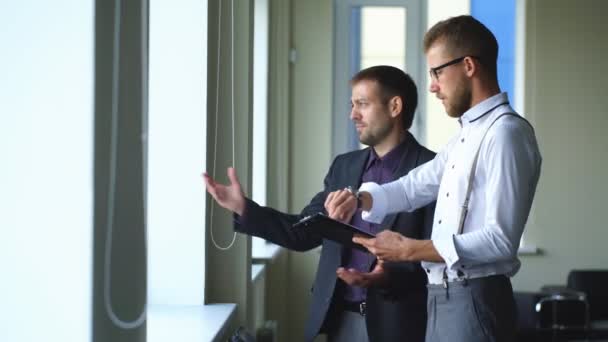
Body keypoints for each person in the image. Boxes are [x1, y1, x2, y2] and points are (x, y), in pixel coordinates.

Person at [325, 15, 542, 342]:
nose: (432, 86)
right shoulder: (466, 135)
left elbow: (500, 240)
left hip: (474, 299)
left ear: (468, 65)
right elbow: (414, 187)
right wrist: (360, 199)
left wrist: (410, 250)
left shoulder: (506, 133)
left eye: (438, 72)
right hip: (442, 297)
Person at [204, 65, 435, 342]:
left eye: (362, 104)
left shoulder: (431, 170)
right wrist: (243, 208)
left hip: (400, 325)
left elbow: (437, 257)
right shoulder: (344, 167)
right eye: (352, 105)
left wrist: (387, 277)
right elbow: (302, 232)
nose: (353, 115)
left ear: (395, 106)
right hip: (338, 322)